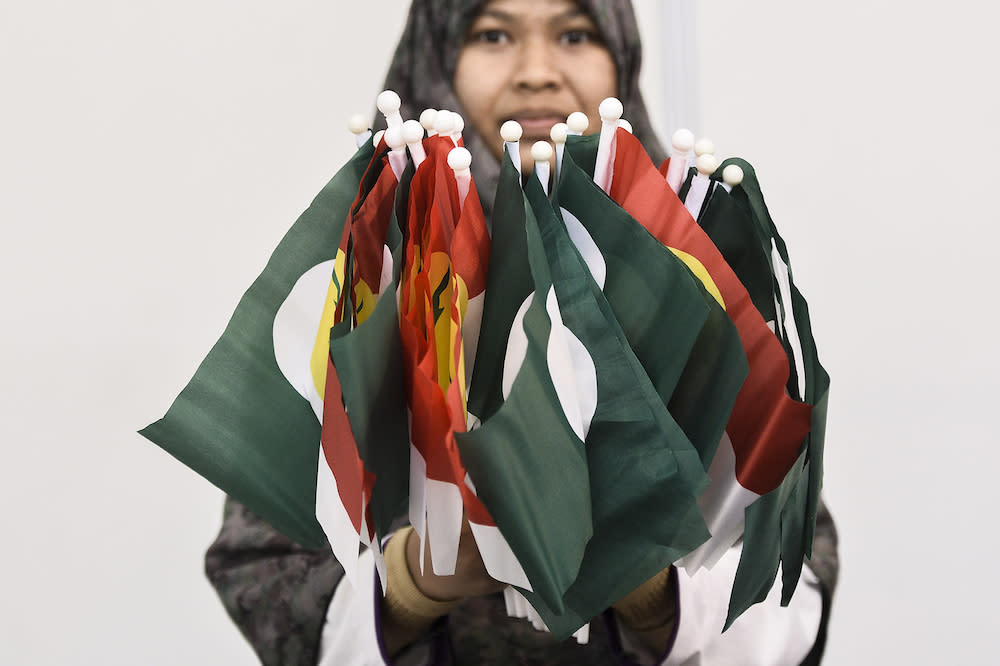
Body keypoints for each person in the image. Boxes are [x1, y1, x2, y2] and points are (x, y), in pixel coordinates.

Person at [204, 1, 839, 664]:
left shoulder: (698, 279)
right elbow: (262, 566)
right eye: (493, 34)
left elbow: (790, 560)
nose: (538, 71)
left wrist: (658, 592)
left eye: (574, 34)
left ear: (621, 60)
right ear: (437, 56)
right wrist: (412, 585)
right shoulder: (367, 280)